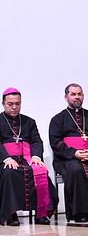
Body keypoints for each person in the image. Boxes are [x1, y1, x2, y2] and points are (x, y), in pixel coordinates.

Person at [49, 83, 88, 222]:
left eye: (79, 94)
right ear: (66, 97)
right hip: (67, 159)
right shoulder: (57, 119)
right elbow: (56, 142)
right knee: (77, 169)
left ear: (83, 96)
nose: (77, 97)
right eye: (73, 94)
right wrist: (74, 153)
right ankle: (79, 213)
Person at [0, 88, 57, 226]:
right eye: (10, 104)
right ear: (3, 104)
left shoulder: (29, 122)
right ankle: (11, 215)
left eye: (17, 103)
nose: (14, 107)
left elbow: (37, 141)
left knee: (41, 172)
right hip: (5, 159)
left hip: (26, 158)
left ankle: (41, 213)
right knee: (9, 173)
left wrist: (36, 156)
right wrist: (6, 158)